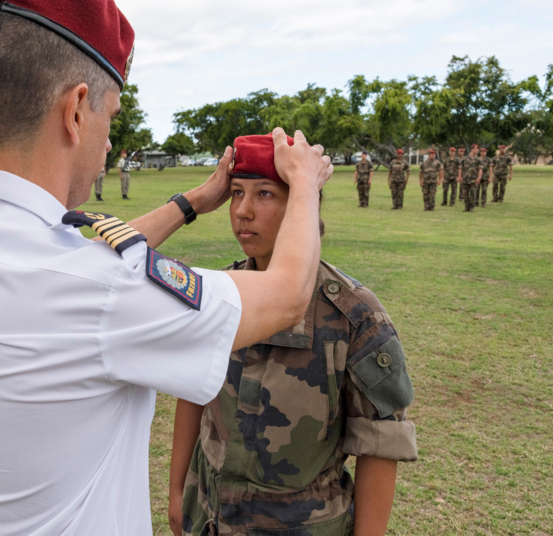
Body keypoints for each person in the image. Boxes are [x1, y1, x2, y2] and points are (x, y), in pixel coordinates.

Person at [0, 1, 331, 534]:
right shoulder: (103, 295)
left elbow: (79, 262)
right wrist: (305, 182)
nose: (109, 140)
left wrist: (189, 204)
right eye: (109, 115)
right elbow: (287, 294)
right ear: (75, 111)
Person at [169, 134, 417, 536]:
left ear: (303, 203)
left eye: (265, 194)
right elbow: (192, 392)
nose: (243, 211)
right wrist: (178, 491)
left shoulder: (355, 315)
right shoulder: (219, 292)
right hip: (209, 516)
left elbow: (379, 444)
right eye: (236, 193)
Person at [459, 144, 482, 212]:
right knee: (465, 194)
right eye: (476, 149)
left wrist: (479, 177)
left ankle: (471, 207)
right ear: (472, 149)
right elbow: (460, 168)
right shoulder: (464, 159)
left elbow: (480, 169)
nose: (477, 150)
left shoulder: (478, 159)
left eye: (478, 149)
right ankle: (466, 207)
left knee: (473, 194)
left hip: (473, 179)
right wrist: (460, 176)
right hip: (465, 179)